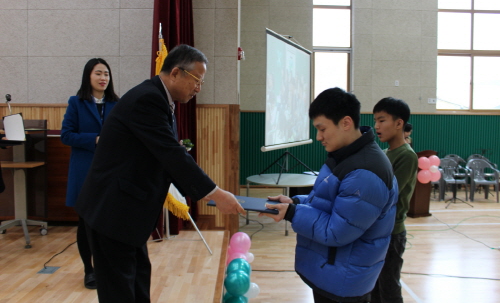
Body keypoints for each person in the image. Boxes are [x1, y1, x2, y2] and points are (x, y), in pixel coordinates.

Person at [75, 44, 245, 303]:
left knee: (138, 283)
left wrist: (208, 191)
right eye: (196, 80)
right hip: (112, 211)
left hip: (128, 213)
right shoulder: (148, 98)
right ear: (175, 73)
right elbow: (170, 154)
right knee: (119, 292)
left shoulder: (162, 100)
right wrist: (215, 193)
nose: (199, 88)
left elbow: (164, 156)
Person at [260, 88, 398, 303]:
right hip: (332, 271)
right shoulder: (345, 156)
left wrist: (293, 213)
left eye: (322, 129)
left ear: (345, 123)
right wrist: (294, 202)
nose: (319, 137)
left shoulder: (365, 173)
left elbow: (337, 231)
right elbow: (327, 202)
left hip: (344, 282)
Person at [61, 58, 120, 289]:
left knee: (110, 222)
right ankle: (89, 270)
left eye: (106, 73)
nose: (103, 78)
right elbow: (67, 135)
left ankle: (109, 268)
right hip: (84, 171)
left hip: (111, 172)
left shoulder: (117, 103)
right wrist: (93, 139)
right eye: (98, 73)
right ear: (89, 76)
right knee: (85, 223)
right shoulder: (76, 103)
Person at [372, 97, 418, 303]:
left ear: (399, 123)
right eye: (375, 121)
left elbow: (388, 195)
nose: (376, 126)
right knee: (372, 288)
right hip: (377, 232)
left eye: (382, 120)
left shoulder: (407, 156)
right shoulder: (384, 153)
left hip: (391, 233)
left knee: (388, 288)